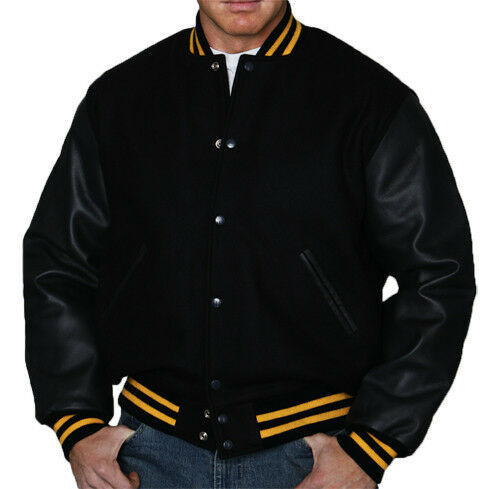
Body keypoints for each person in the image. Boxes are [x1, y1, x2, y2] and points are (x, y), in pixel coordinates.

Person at [23, 1, 476, 488]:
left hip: (313, 457)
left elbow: (437, 274)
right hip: (146, 453)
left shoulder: (369, 99)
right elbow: (60, 261)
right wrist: (76, 420)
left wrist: (372, 444)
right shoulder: (121, 97)